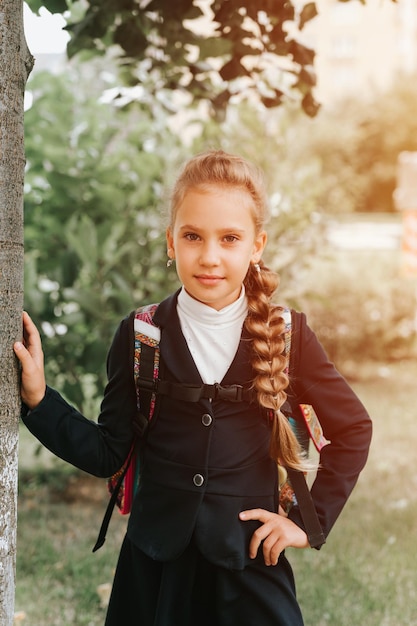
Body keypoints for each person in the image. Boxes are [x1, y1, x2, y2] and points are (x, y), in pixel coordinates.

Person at [14, 150, 372, 626]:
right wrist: (39, 400)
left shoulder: (288, 335)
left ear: (256, 245)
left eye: (230, 238)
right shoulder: (141, 335)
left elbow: (354, 429)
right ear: (171, 242)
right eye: (192, 236)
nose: (209, 256)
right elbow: (107, 451)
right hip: (155, 567)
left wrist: (308, 523)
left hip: (248, 568)